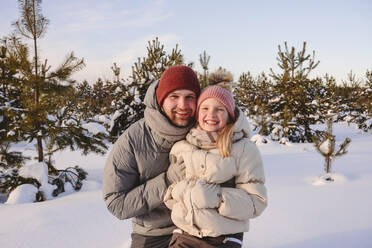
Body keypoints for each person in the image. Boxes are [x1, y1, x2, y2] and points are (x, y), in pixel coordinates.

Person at [102, 65, 201, 248]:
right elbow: (116, 203)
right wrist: (167, 181)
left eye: (190, 97)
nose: (183, 105)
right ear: (160, 100)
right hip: (153, 235)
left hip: (198, 231)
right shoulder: (134, 140)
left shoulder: (205, 131)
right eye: (174, 97)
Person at [164, 85, 268, 248]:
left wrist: (217, 197)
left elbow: (256, 202)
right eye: (205, 108)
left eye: (219, 109)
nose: (211, 114)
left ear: (229, 115)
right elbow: (171, 194)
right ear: (198, 113)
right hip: (185, 234)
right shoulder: (182, 147)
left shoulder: (243, 149)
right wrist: (176, 193)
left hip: (222, 238)